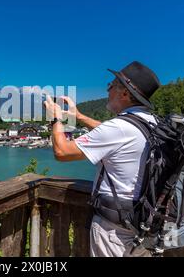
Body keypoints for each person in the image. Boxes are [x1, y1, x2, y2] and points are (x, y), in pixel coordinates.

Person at [43, 61, 161, 257]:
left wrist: (55, 118)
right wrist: (79, 116)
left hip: (114, 229)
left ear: (124, 93)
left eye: (111, 85)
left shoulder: (118, 128)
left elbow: (62, 152)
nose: (108, 89)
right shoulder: (151, 123)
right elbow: (110, 135)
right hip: (143, 221)